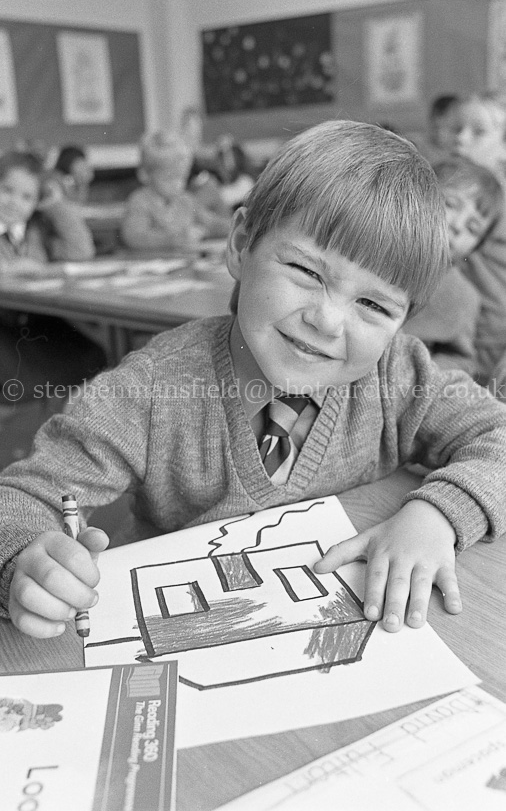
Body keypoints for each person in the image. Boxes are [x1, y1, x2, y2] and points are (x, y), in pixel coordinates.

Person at [1, 120, 506, 642]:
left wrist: (437, 515)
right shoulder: (151, 390)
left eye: (374, 305)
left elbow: (498, 434)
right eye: (307, 272)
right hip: (186, 632)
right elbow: (26, 496)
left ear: (403, 319)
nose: (328, 322)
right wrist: (23, 560)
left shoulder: (398, 375)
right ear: (242, 244)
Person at [0, 150, 106, 404]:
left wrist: (56, 205)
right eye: (6, 190)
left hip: (36, 324)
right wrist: (8, 269)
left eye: (27, 197)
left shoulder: (37, 231)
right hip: (5, 332)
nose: (14, 202)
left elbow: (82, 251)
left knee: (94, 356)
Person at [403, 156, 504, 375]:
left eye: (473, 228)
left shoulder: (463, 297)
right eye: (450, 204)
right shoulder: (373, 246)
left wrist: (423, 370)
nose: (457, 226)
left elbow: (461, 359)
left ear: (475, 248)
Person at [447, 92, 506, 386]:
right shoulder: (443, 184)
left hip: (489, 351)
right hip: (445, 336)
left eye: (478, 132)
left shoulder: (499, 203)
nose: (461, 138)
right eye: (457, 128)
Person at [121, 129, 229, 252]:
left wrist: (237, 227)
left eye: (182, 178)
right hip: (152, 262)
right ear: (145, 175)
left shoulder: (186, 200)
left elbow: (211, 223)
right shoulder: (140, 202)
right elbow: (134, 237)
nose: (177, 185)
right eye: (169, 179)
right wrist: (175, 239)